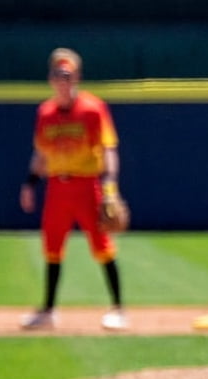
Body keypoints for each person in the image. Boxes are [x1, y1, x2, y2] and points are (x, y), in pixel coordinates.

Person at [18, 47, 127, 332]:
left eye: (66, 74)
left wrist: (110, 188)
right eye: (56, 75)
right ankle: (48, 311)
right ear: (50, 79)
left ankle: (118, 309)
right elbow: (41, 155)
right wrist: (30, 183)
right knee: (52, 248)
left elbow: (108, 149)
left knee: (102, 246)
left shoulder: (92, 109)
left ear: (76, 76)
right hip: (57, 187)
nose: (62, 80)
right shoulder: (45, 113)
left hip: (86, 186)